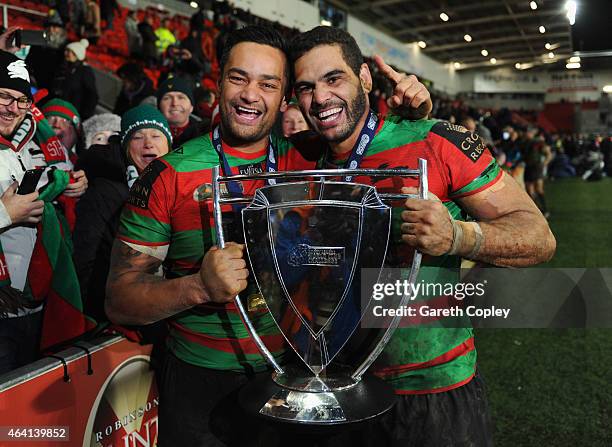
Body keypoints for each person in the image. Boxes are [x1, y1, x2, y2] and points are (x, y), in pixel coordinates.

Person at [106, 26, 432, 446]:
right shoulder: (168, 175)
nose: (249, 94)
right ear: (218, 82)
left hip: (296, 374)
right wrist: (197, 287)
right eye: (238, 78)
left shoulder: (307, 157)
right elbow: (119, 300)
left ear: (285, 98)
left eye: (268, 83)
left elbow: (373, 135)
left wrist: (418, 112)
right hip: (199, 384)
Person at [288, 26, 556, 446]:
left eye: (333, 78)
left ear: (364, 77)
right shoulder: (300, 156)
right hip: (336, 385)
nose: (320, 99)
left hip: (432, 389)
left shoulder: (435, 140)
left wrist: (458, 237)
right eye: (305, 87)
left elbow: (538, 236)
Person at [0, 51, 89, 373]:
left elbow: (57, 175)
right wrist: (5, 213)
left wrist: (74, 183)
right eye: (4, 96)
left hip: (37, 302)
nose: (13, 108)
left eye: (22, 100)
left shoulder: (34, 137)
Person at [74, 105, 171, 322]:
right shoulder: (104, 191)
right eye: (138, 137)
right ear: (126, 147)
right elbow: (85, 259)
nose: (148, 143)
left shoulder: (177, 187)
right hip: (113, 313)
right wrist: (94, 316)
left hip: (164, 307)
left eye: (156, 135)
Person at [51, 39, 98, 120]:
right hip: (57, 108)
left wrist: (85, 115)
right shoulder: (63, 67)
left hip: (73, 112)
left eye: (71, 52)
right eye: (67, 50)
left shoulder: (85, 71)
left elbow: (91, 95)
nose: (67, 54)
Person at [156, 76, 207, 148]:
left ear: (191, 107)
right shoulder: (149, 136)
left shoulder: (205, 134)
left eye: (181, 97)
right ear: (159, 107)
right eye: (167, 98)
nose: (175, 103)